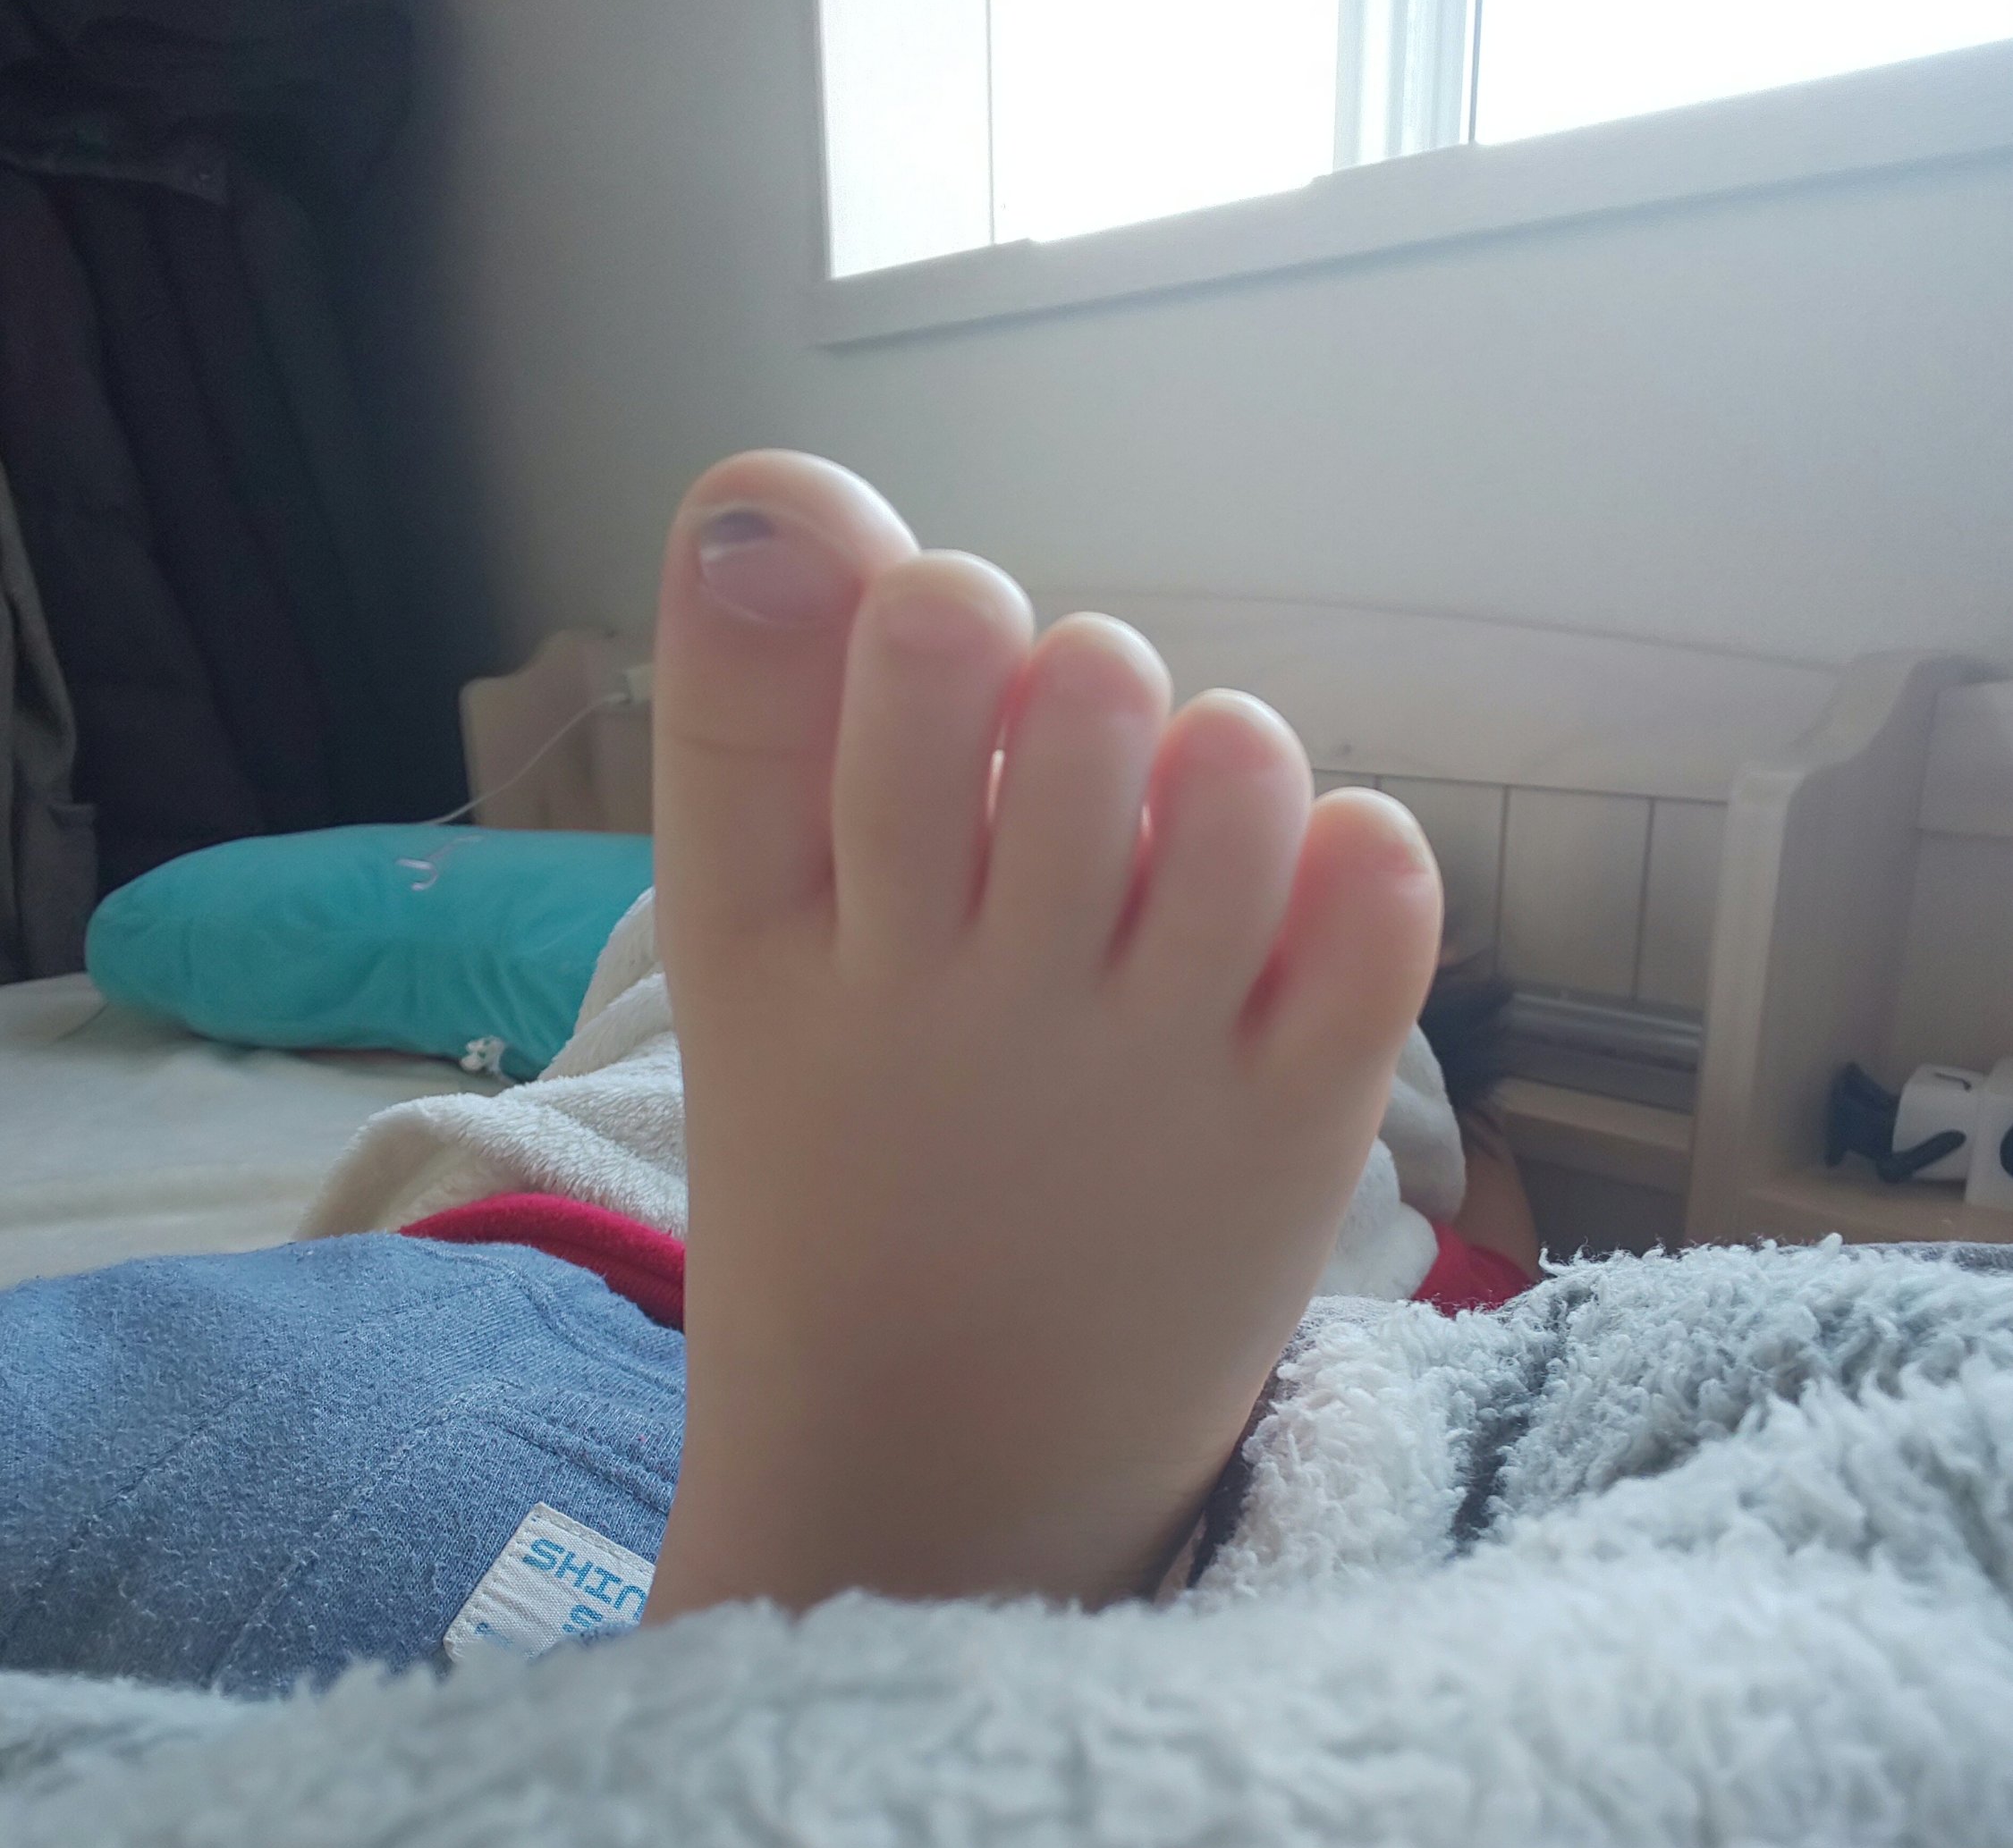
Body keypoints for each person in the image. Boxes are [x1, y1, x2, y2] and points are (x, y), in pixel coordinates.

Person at [0, 451, 1534, 1696]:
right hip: (608, 1408)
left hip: (350, 1327)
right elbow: (1470, 1342)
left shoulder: (734, 918)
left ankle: (856, 1605)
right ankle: (877, 1607)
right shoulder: (1307, 1058)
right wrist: (1493, 1218)